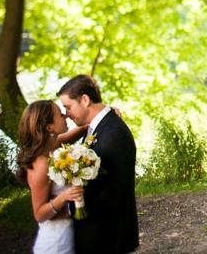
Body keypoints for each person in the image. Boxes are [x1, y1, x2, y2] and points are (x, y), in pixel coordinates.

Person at [58, 74, 139, 254]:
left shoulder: (114, 133)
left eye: (68, 107)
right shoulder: (97, 126)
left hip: (107, 235)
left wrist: (75, 204)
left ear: (85, 100)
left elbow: (116, 191)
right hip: (97, 233)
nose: (67, 113)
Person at [16, 100, 86, 254]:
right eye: (61, 115)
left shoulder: (52, 145)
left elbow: (71, 135)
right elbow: (39, 214)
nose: (66, 115)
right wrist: (64, 197)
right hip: (56, 243)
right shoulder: (41, 164)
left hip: (70, 232)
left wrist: (98, 116)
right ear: (49, 127)